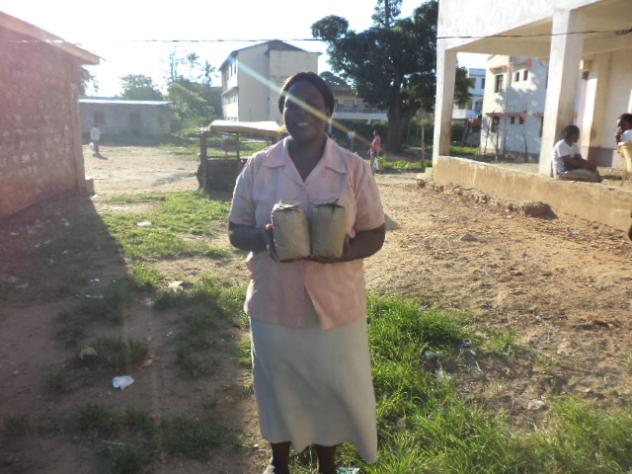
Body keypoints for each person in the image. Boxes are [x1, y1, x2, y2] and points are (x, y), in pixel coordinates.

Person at [228, 72, 385, 474]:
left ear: (329, 111)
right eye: (291, 105)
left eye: (313, 104)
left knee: (328, 391)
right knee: (277, 388)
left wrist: (342, 253)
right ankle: (279, 463)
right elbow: (235, 231)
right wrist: (264, 238)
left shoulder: (353, 168)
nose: (302, 113)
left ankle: (326, 465)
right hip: (274, 302)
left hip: (335, 307)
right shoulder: (258, 166)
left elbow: (375, 233)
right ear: (282, 112)